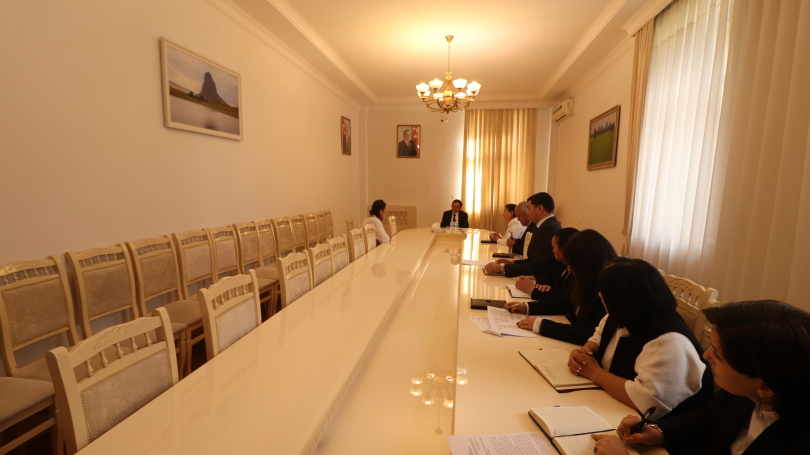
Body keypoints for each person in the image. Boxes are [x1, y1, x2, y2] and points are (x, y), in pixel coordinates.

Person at [591, 300, 810, 455]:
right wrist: (656, 432)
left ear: (765, 388)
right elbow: (705, 418)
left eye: (718, 355)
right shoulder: (743, 392)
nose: (705, 356)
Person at [568, 258, 713, 422]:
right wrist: (584, 353)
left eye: (604, 292)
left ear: (623, 300)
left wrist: (594, 372)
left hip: (662, 429)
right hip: (614, 408)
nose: (599, 295)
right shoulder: (624, 315)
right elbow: (597, 337)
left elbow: (648, 402)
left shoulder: (668, 342)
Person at [511, 229, 614, 345]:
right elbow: (565, 303)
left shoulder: (608, 288)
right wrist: (527, 307)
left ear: (586, 263)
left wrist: (541, 325)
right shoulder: (586, 277)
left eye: (571, 264)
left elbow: (591, 334)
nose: (569, 269)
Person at [504, 227, 579, 320]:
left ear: (564, 250)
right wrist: (544, 284)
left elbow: (563, 301)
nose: (552, 251)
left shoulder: (576, 272)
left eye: (554, 247)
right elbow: (543, 274)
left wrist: (532, 291)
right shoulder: (560, 263)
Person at [483, 192, 560, 278]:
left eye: (529, 208)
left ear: (540, 209)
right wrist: (512, 263)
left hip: (542, 280)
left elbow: (537, 265)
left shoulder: (548, 228)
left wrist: (502, 268)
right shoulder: (544, 225)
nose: (527, 213)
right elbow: (532, 260)